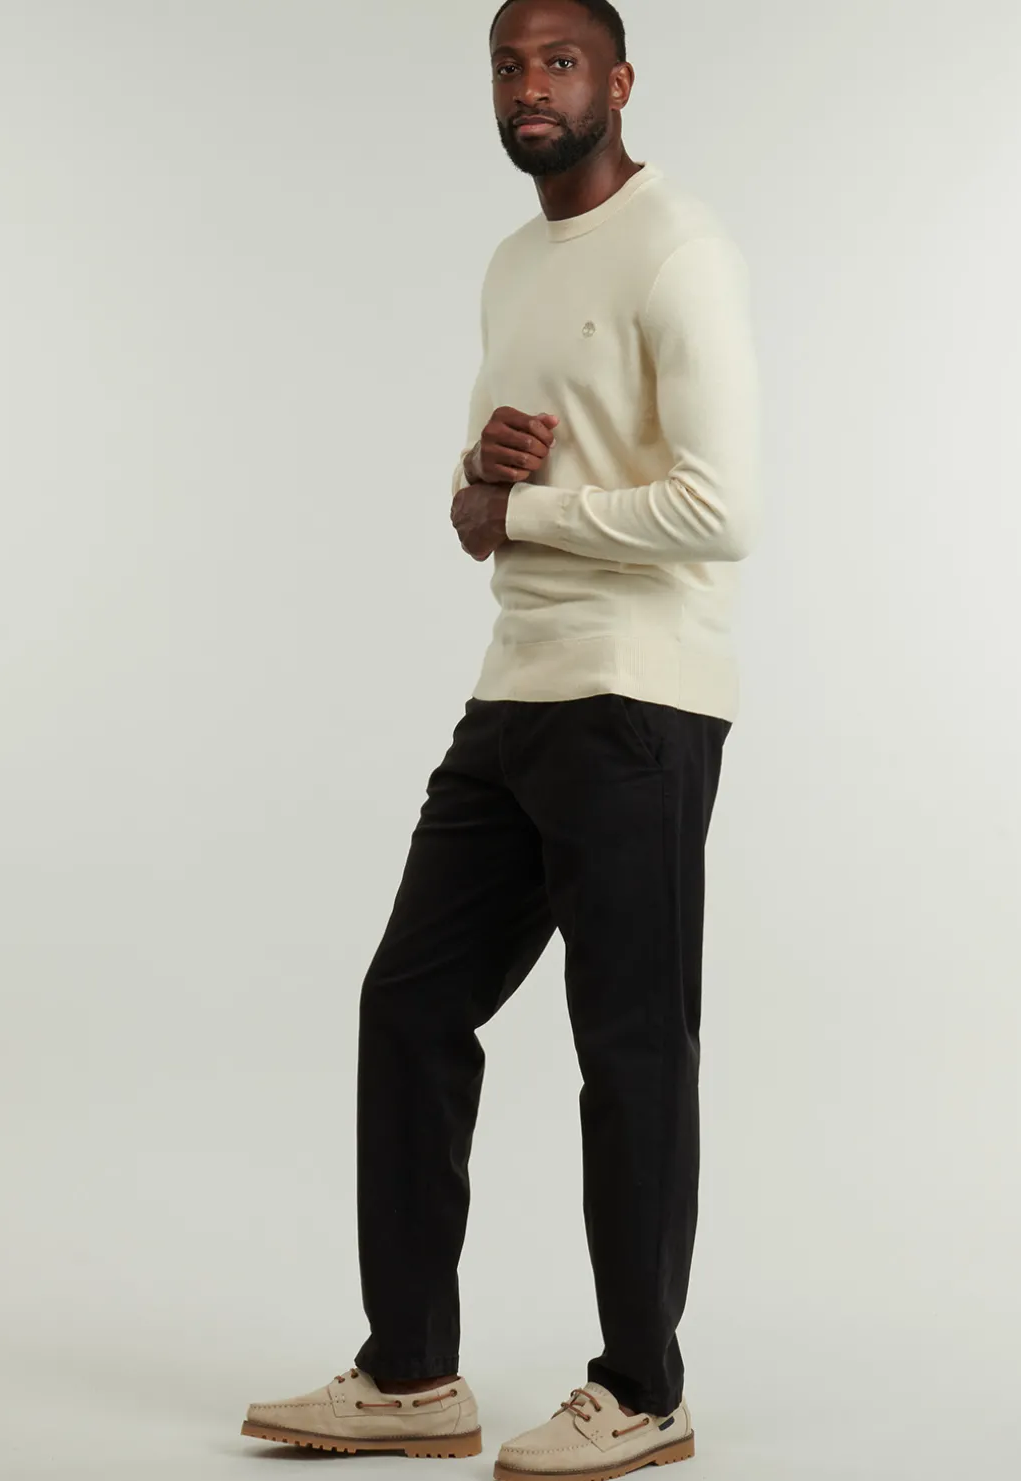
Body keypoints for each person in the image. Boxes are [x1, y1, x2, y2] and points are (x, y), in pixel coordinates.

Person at [241, 0, 761, 1474]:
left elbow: (722, 508)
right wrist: (481, 478)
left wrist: (524, 507)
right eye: (508, 65)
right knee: (409, 1005)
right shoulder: (512, 263)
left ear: (619, 81)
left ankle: (643, 1391)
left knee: (631, 1048)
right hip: (516, 692)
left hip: (639, 700)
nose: (530, 86)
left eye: (559, 62)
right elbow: (486, 504)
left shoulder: (681, 249)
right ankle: (411, 1375)